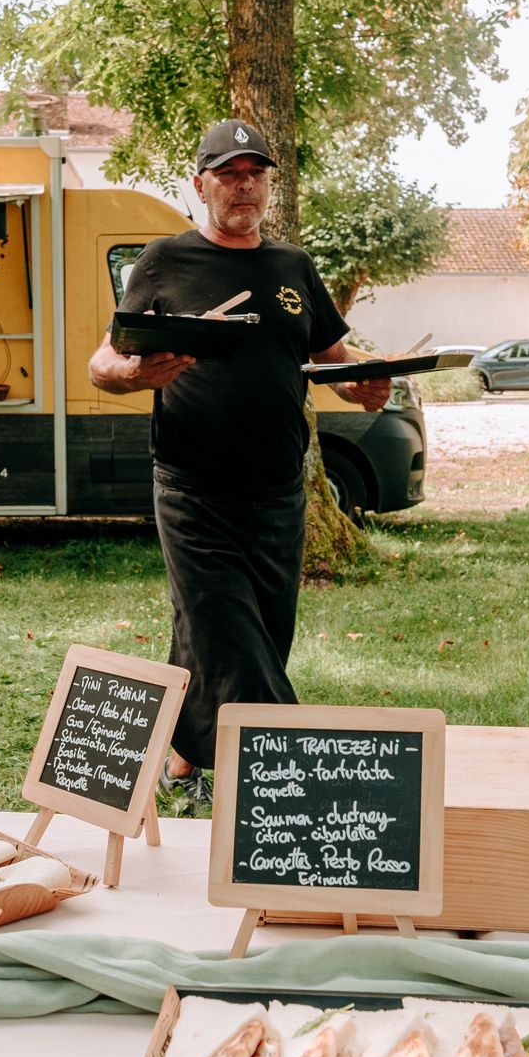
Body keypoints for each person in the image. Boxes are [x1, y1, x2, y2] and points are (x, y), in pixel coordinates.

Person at [86, 118, 391, 811]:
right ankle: (297, 781)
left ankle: (185, 758)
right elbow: (103, 363)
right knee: (227, 626)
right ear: (201, 185)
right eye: (228, 173)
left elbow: (332, 363)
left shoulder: (292, 268)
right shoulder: (165, 261)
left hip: (278, 489)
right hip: (193, 488)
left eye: (255, 173)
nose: (243, 185)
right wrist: (136, 376)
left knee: (248, 631)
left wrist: (364, 386)